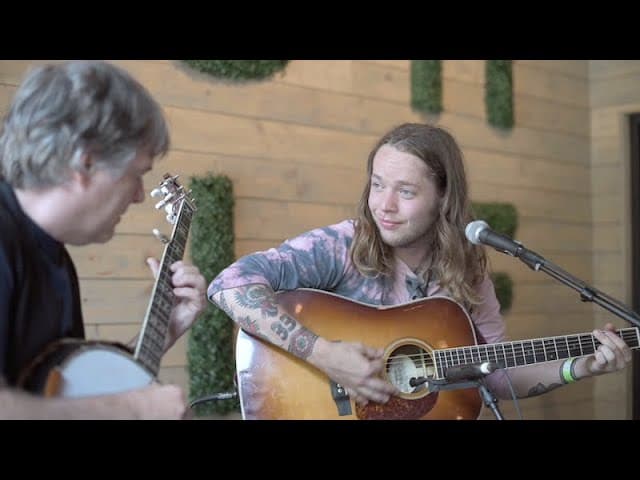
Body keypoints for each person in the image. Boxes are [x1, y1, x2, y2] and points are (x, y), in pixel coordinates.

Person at [208, 122, 632, 416]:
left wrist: (581, 366)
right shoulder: (342, 245)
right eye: (377, 184)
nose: (384, 206)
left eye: (406, 191)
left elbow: (496, 376)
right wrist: (327, 356)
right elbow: (229, 285)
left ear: (443, 198)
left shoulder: (468, 273)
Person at [0, 60, 207, 419]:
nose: (141, 195)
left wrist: (167, 330)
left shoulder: (53, 256)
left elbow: (57, 393)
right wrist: (135, 408)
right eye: (137, 174)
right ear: (86, 164)